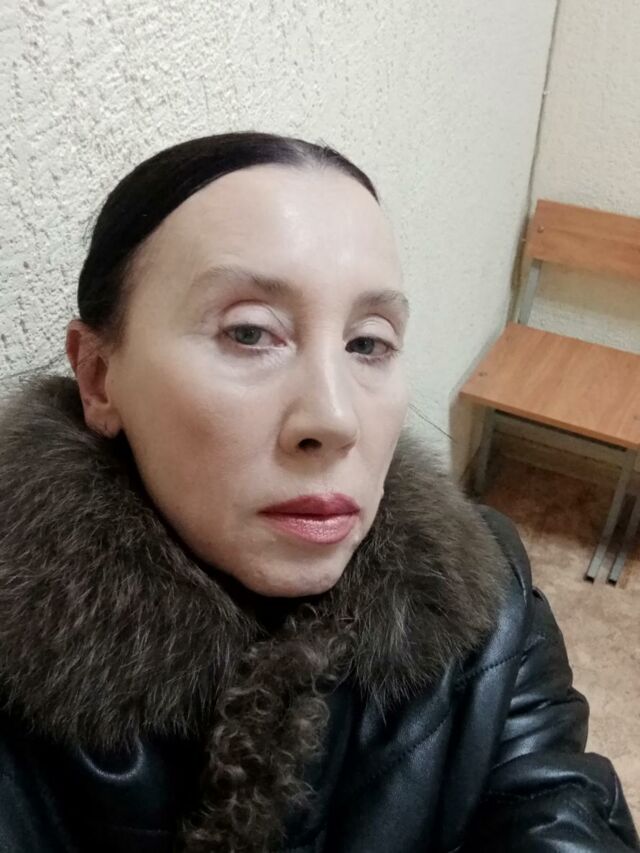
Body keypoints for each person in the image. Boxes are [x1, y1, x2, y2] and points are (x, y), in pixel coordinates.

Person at [0, 131, 637, 853]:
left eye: (368, 343)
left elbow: (559, 807)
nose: (335, 420)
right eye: (249, 333)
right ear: (98, 377)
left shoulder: (489, 598)